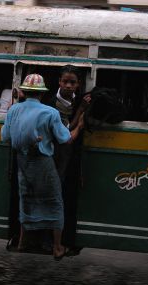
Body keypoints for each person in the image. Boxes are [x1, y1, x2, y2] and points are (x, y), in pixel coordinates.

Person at [1, 74, 84, 260]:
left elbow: (5, 137)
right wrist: (79, 126)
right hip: (43, 164)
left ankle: (22, 243)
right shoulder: (50, 112)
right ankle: (56, 247)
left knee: (26, 200)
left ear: (24, 92)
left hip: (22, 163)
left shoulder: (13, 110)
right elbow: (65, 139)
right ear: (42, 94)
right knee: (54, 202)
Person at [48, 65, 90, 253]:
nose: (68, 86)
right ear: (59, 82)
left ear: (78, 85)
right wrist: (80, 113)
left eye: (72, 82)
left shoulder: (79, 100)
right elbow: (63, 131)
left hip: (70, 153)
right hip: (53, 151)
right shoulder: (50, 102)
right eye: (65, 81)